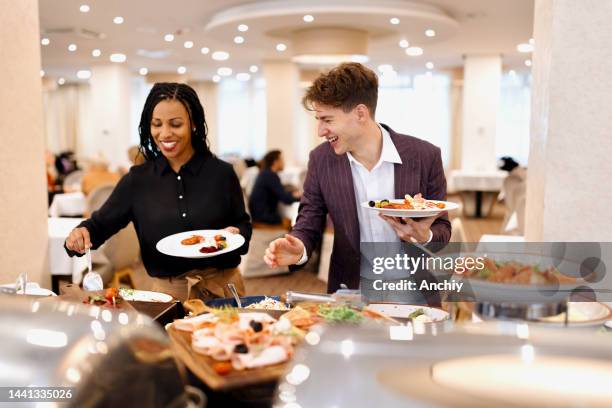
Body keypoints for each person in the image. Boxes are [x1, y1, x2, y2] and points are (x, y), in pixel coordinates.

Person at [264, 62, 451, 293]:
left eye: (328, 120)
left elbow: (442, 227)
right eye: (319, 120)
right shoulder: (321, 159)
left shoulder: (425, 156)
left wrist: (425, 236)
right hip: (351, 288)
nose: (320, 131)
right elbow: (309, 219)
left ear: (360, 113)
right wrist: (299, 246)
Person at [65, 82, 252, 301]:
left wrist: (237, 234)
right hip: (168, 295)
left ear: (193, 124)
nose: (165, 134)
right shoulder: (137, 180)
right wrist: (80, 234)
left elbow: (243, 225)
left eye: (175, 124)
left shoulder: (222, 173)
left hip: (222, 289)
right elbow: (99, 226)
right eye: (156, 124)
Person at [249, 150, 300, 225]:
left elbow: (280, 192)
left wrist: (292, 194)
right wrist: (301, 196)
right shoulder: (270, 176)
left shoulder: (266, 173)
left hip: (259, 214)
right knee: (292, 222)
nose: (283, 162)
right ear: (275, 162)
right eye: (282, 160)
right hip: (264, 217)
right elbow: (285, 198)